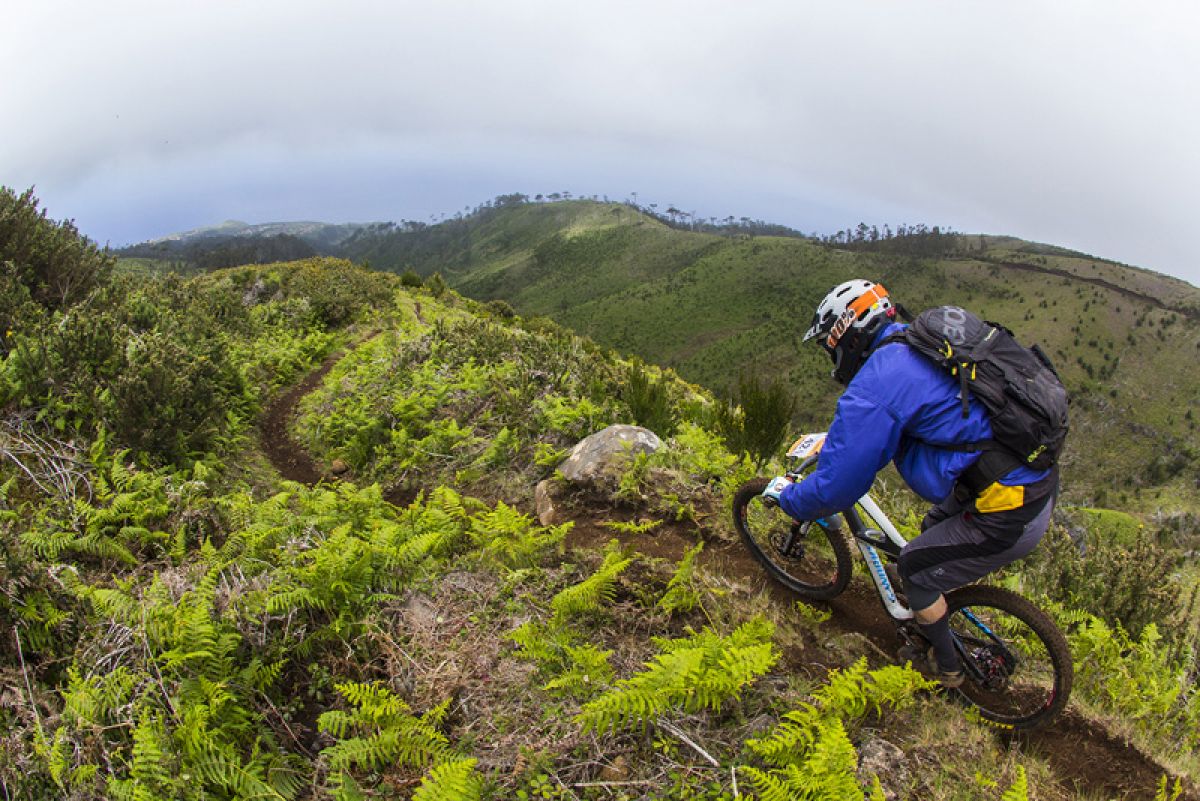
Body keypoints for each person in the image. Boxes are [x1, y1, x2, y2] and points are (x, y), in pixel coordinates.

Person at [763, 279, 1058, 686]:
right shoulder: (916, 343)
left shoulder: (876, 385)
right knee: (931, 532)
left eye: (829, 346)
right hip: (1028, 480)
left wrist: (790, 498)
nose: (830, 357)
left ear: (846, 335)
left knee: (915, 570)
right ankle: (932, 617)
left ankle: (946, 667)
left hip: (1008, 507)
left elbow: (836, 488)